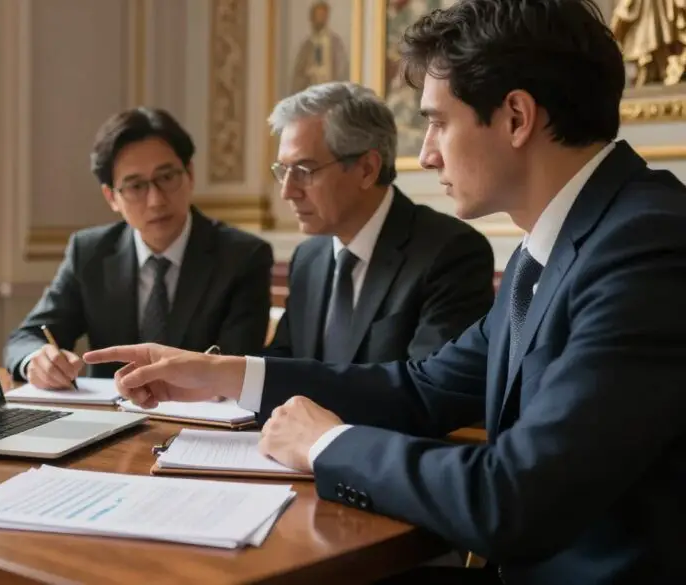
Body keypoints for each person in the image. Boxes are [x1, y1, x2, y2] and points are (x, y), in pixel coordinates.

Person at [84, 1, 686, 583]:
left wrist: (326, 443)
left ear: (516, 117)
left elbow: (513, 497)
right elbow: (425, 389)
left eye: (436, 122)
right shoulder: (555, 244)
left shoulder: (647, 247)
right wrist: (225, 374)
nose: (424, 155)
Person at [5, 107, 273, 389]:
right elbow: (26, 338)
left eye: (167, 177)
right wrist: (39, 360)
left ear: (190, 174)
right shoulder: (90, 252)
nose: (156, 200)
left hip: (202, 422)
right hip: (109, 421)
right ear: (111, 197)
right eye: (135, 186)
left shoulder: (243, 256)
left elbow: (239, 365)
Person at [263, 81, 494, 400]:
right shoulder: (308, 257)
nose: (287, 191)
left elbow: (429, 392)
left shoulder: (450, 253)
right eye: (283, 170)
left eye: (304, 170)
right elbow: (283, 361)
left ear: (367, 169)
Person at [291, 1, 349, 92]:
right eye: (318, 15)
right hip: (311, 92)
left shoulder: (335, 43)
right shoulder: (307, 45)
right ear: (312, 18)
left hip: (330, 92)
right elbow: (298, 75)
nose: (320, 19)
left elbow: (342, 70)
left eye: (323, 15)